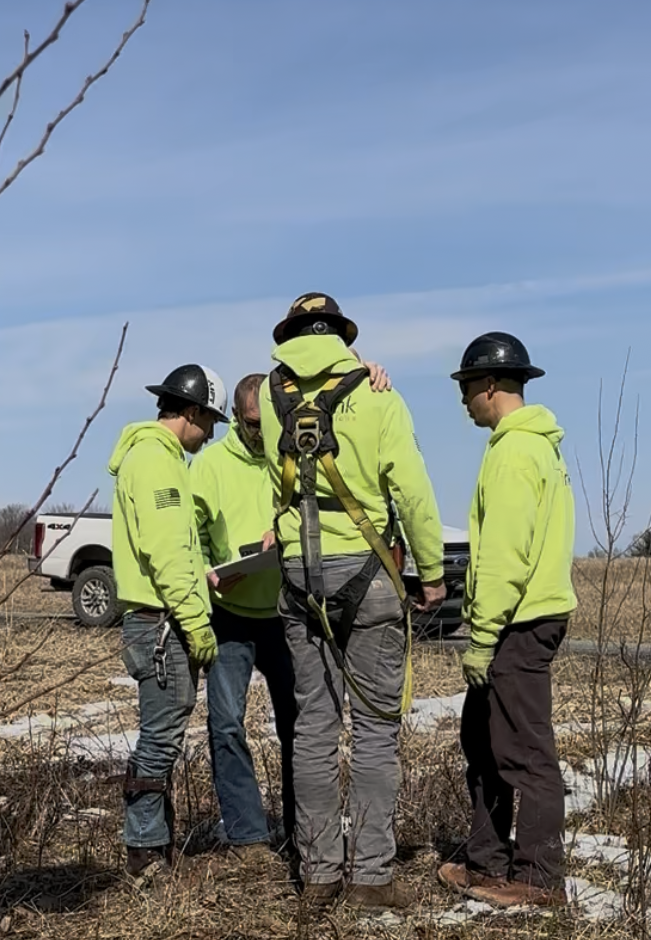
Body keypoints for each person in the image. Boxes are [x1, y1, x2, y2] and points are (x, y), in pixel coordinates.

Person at [257, 291, 446, 910]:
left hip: (297, 580)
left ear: (289, 334)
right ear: (343, 334)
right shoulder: (376, 392)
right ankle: (370, 877)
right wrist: (432, 573)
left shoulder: (269, 394)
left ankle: (317, 875)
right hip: (368, 577)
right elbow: (411, 490)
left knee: (312, 727)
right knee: (373, 731)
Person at [191, 360, 394, 870]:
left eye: (269, 422)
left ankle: (303, 830)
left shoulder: (298, 451)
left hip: (288, 613)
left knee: (302, 728)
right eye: (254, 424)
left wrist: (370, 374)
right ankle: (248, 836)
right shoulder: (210, 466)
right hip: (229, 614)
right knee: (227, 725)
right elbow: (185, 536)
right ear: (237, 418)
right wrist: (206, 572)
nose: (263, 433)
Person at [436, 331, 577, 908]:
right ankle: (487, 861)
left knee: (525, 752)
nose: (463, 399)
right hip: (520, 619)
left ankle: (538, 881)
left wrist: (483, 636)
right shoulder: (527, 446)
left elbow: (503, 556)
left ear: (490, 385)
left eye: (467, 387)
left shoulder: (517, 452)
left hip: (519, 622)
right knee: (485, 741)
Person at [108, 362, 230, 883]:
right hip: (161, 625)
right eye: (212, 422)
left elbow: (171, 549)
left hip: (164, 615)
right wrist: (193, 619)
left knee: (166, 738)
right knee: (159, 740)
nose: (211, 434)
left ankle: (157, 846)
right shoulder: (156, 462)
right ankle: (145, 859)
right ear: (193, 412)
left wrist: (199, 579)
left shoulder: (162, 459)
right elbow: (162, 552)